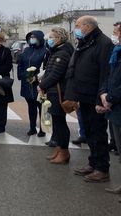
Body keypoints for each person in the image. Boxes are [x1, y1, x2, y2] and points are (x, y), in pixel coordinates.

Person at [66, 16, 114, 182]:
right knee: (89, 133)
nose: (76, 29)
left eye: (78, 25)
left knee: (98, 133)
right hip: (84, 96)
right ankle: (93, 163)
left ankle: (102, 168)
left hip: (95, 97)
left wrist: (101, 99)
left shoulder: (103, 43)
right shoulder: (85, 41)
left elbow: (105, 73)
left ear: (87, 26)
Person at [37, 27, 74, 164]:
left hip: (58, 92)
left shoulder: (62, 53)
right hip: (52, 91)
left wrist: (42, 85)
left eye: (52, 37)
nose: (49, 39)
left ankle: (64, 152)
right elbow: (49, 71)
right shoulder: (56, 51)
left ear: (59, 39)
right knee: (57, 123)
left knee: (60, 123)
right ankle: (59, 149)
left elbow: (55, 74)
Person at [101, 22, 121, 194]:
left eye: (116, 32)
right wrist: (105, 95)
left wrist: (111, 98)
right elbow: (111, 76)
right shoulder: (117, 52)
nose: (114, 35)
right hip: (114, 105)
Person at [18, 30, 48, 136]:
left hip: (39, 84)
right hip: (27, 83)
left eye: (34, 37)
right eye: (31, 37)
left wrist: (36, 78)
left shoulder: (45, 51)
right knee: (31, 107)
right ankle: (32, 127)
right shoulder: (26, 50)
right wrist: (24, 76)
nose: (32, 39)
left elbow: (46, 68)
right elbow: (20, 64)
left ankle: (43, 129)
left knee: (41, 107)